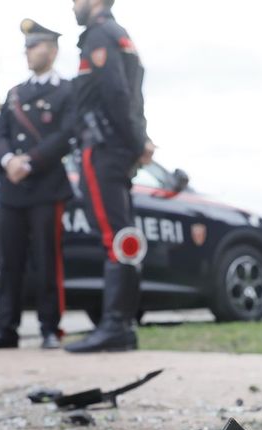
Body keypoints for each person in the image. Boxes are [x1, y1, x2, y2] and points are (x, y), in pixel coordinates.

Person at [0, 19, 75, 350]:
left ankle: (50, 329)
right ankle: (6, 329)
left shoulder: (66, 91)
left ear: (53, 49)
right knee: (9, 260)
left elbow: (65, 135)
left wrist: (29, 161)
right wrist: (8, 162)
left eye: (35, 46)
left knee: (47, 260)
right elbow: (0, 133)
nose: (28, 52)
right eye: (27, 47)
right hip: (12, 188)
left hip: (46, 186)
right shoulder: (15, 93)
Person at [64, 0, 154, 353]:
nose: (73, 5)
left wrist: (137, 140)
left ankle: (115, 326)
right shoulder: (120, 35)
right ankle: (123, 326)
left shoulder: (99, 35)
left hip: (102, 150)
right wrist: (139, 139)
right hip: (118, 149)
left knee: (113, 237)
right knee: (124, 237)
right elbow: (135, 98)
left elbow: (117, 93)